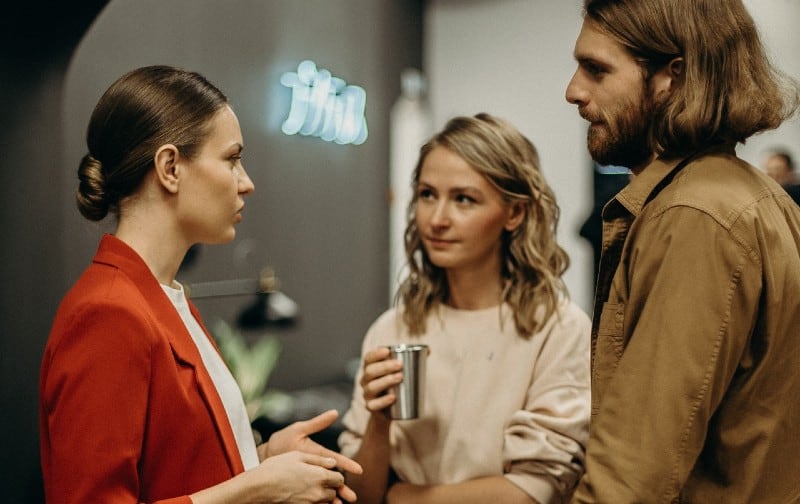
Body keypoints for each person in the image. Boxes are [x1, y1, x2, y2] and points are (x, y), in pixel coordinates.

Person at [39, 65, 362, 504]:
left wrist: (262, 457)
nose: (246, 182)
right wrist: (257, 487)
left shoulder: (165, 298)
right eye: (231, 159)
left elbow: (179, 473)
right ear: (170, 167)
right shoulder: (109, 312)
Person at [564, 0, 800, 502]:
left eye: (596, 70)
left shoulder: (694, 217)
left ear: (672, 77)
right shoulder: (753, 196)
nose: (574, 91)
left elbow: (630, 478)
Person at [338, 113, 591, 504]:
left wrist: (403, 496)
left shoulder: (557, 329)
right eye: (427, 195)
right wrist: (378, 423)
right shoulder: (393, 328)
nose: (437, 220)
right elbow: (361, 496)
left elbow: (531, 491)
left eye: (463, 199)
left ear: (515, 213)